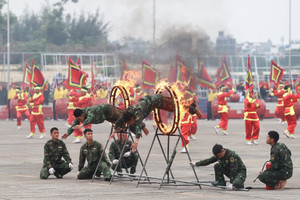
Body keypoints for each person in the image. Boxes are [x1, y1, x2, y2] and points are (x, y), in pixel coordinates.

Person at [112, 94, 201, 152]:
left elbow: (138, 126)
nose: (132, 122)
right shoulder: (128, 112)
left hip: (157, 101)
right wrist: (114, 131)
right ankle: (190, 106)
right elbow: (120, 120)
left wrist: (136, 142)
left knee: (176, 106)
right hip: (150, 102)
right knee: (176, 105)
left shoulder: (137, 113)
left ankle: (193, 108)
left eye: (131, 121)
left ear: (132, 117)